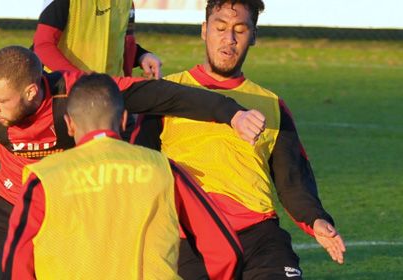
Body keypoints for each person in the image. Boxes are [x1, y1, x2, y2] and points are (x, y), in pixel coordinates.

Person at [0, 45, 265, 279]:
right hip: (7, 202)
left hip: (71, 207)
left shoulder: (75, 91)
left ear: (33, 92)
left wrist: (230, 112)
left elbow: (161, 95)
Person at [133, 1, 346, 279]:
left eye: (240, 30)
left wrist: (316, 219)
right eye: (220, 28)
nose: (229, 39)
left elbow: (293, 181)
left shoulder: (271, 104)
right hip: (191, 237)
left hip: (261, 239)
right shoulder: (168, 92)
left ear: (254, 36)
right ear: (204, 30)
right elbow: (138, 164)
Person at [0, 73, 243, 280]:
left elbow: (15, 263)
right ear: (125, 119)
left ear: (69, 124)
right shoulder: (164, 169)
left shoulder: (44, 177)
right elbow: (225, 251)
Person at [34, 0, 162, 79]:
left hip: (113, 93)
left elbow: (123, 44)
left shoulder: (127, 3)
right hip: (66, 91)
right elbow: (43, 46)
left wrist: (142, 56)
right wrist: (80, 80)